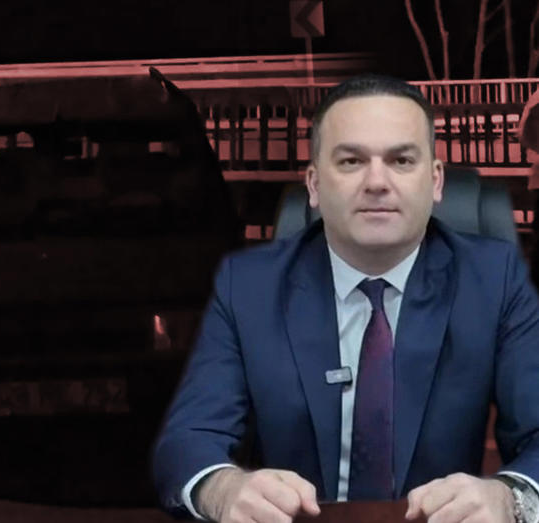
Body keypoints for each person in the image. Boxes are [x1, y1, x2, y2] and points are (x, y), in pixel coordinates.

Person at [152, 74, 539, 523]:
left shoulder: (494, 279)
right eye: (352, 161)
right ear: (314, 185)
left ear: (436, 182)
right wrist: (223, 489)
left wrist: (510, 499)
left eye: (401, 160)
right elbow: (187, 439)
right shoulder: (250, 286)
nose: (376, 182)